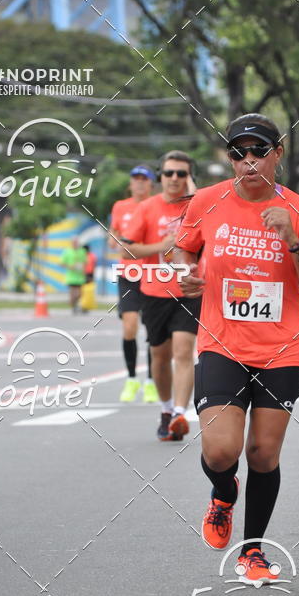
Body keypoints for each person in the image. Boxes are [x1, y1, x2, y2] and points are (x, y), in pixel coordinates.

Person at [175, 113, 299, 583]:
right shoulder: (206, 201)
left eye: (258, 152)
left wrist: (293, 241)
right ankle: (223, 494)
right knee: (222, 451)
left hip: (281, 349)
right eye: (238, 153)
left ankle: (253, 552)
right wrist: (188, 271)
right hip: (222, 343)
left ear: (277, 154)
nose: (248, 162)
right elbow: (185, 246)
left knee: (263, 454)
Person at [125, 151, 199, 441]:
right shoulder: (147, 208)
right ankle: (167, 409)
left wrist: (193, 196)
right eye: (169, 173)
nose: (175, 179)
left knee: (183, 350)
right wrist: (161, 244)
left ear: (189, 178)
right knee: (160, 355)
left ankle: (181, 412)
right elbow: (126, 249)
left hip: (189, 289)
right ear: (161, 176)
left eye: (182, 174)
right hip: (154, 291)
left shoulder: (197, 207)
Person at [109, 165, 157, 403]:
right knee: (129, 327)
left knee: (151, 330)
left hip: (152, 272)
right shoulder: (120, 206)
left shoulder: (156, 205)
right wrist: (115, 240)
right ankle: (131, 378)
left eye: (144, 180)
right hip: (128, 273)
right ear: (131, 183)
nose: (139, 183)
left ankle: (150, 381)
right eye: (135, 179)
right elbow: (113, 234)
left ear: (151, 184)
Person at [61, 237, 87, 314]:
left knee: (79, 294)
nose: (75, 244)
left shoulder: (82, 251)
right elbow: (62, 263)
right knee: (73, 294)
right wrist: (70, 266)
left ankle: (74, 305)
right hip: (71, 277)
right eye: (74, 242)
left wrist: (81, 266)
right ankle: (74, 306)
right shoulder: (67, 252)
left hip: (80, 276)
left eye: (76, 242)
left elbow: (85, 262)